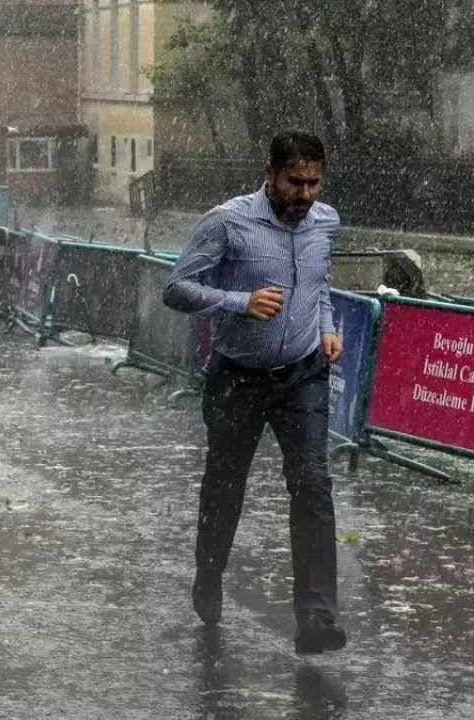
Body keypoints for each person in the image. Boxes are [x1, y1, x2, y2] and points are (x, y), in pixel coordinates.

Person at [162, 131, 347, 655]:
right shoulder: (227, 221)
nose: (306, 193)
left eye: (314, 182)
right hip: (237, 377)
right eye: (296, 182)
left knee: (313, 483)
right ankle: (209, 572)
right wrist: (239, 301)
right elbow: (176, 288)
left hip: (302, 374)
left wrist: (327, 326)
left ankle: (315, 616)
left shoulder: (325, 222)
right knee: (225, 485)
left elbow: (320, 283)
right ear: (269, 175)